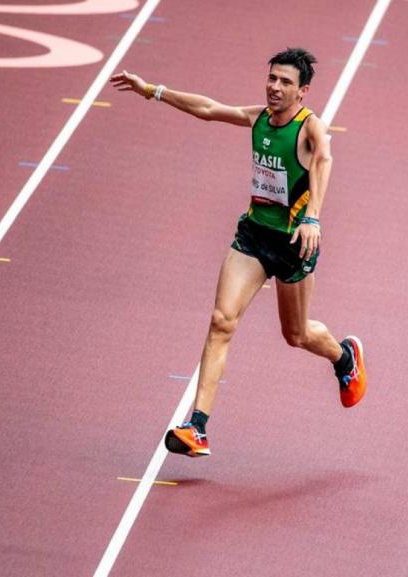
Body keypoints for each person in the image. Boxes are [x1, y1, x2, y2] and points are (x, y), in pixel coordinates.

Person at [110, 48, 366, 458]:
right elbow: (209, 108)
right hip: (254, 236)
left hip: (295, 243)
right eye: (272, 78)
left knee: (295, 334)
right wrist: (152, 91)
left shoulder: (309, 128)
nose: (274, 87)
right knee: (221, 321)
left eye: (285, 82)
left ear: (303, 92)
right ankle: (198, 427)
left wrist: (313, 217)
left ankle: (343, 356)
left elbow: (323, 159)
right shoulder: (259, 118)